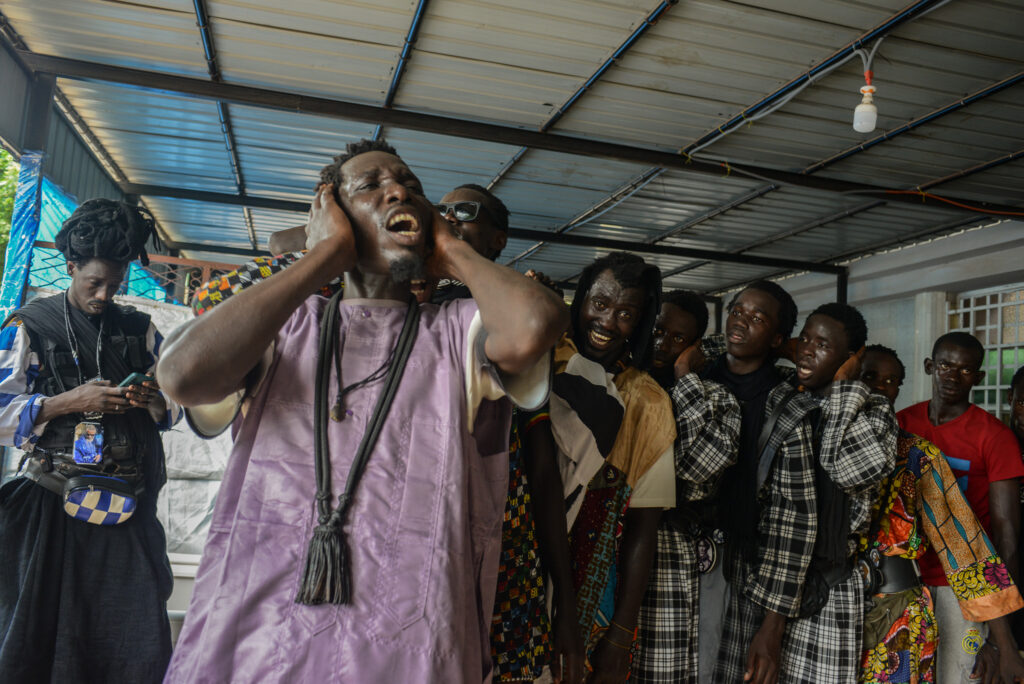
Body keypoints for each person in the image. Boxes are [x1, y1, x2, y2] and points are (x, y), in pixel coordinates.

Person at [159, 139, 568, 683]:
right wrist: (325, 254)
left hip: (406, 647)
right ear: (332, 216)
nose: (398, 190)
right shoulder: (286, 324)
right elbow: (183, 376)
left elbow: (536, 327)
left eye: (410, 187)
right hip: (258, 642)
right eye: (369, 186)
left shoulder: (455, 332)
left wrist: (450, 252)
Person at [0, 199, 180, 682]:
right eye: (93, 282)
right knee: (38, 638)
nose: (104, 295)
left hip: (127, 507)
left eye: (114, 285)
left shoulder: (139, 332)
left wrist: (155, 401)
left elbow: (179, 401)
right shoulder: (29, 327)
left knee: (132, 643)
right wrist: (65, 402)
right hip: (50, 503)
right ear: (71, 266)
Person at [539, 252, 676, 684]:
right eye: (599, 304)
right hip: (516, 563)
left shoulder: (647, 402)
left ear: (640, 323)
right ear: (579, 301)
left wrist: (619, 637)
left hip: (587, 584)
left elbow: (642, 529)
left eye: (625, 313)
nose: (606, 321)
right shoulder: (541, 359)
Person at [858, 345, 1024, 684]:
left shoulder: (922, 450)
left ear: (978, 377)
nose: (951, 375)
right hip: (887, 584)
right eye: (946, 365)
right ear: (930, 366)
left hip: (955, 585)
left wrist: (1001, 636)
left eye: (964, 369)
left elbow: (987, 541)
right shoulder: (902, 422)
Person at [683, 281, 817, 684]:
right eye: (737, 311)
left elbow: (794, 519)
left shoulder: (789, 404)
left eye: (758, 319)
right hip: (681, 549)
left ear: (778, 338)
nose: (741, 323)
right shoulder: (696, 377)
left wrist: (773, 623)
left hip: (748, 565)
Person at [776, 302, 895, 684]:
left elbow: (844, 470)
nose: (807, 349)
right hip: (775, 572)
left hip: (829, 584)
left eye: (822, 344)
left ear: (850, 358)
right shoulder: (789, 397)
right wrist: (781, 346)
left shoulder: (875, 411)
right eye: (805, 339)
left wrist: (844, 389)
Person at [633, 290, 741, 683]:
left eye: (678, 339)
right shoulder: (623, 380)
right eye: (658, 329)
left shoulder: (715, 398)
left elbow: (691, 465)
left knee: (661, 665)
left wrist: (686, 379)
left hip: (668, 547)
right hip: (612, 538)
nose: (662, 342)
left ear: (693, 347)